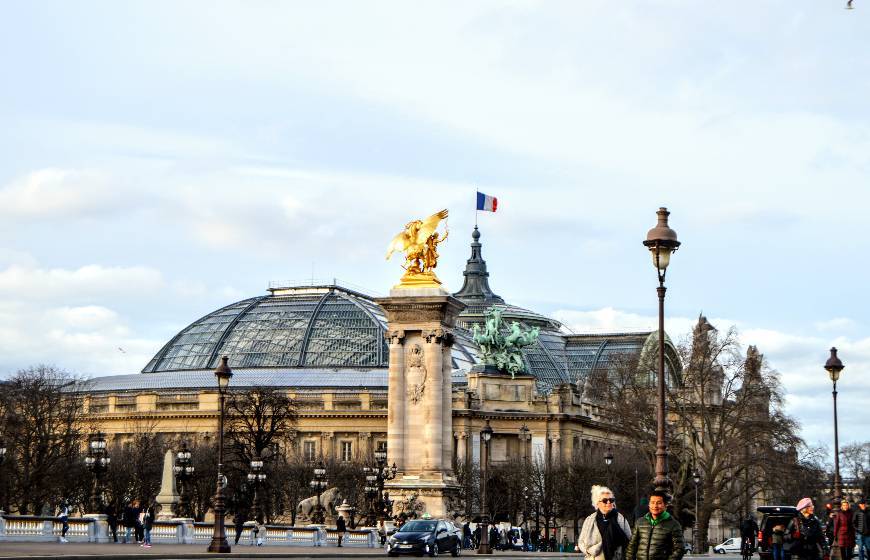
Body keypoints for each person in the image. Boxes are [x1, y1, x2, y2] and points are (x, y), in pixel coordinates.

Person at [625, 490, 685, 560]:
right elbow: (631, 547)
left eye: (659, 503)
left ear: (665, 505)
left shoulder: (673, 525)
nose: (655, 506)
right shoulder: (640, 522)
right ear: (649, 504)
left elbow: (679, 549)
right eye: (652, 502)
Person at [580, 485, 632, 560]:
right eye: (605, 500)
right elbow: (581, 542)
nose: (608, 502)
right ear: (598, 503)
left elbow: (629, 542)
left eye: (611, 500)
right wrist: (589, 551)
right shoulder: (590, 520)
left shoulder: (621, 519)